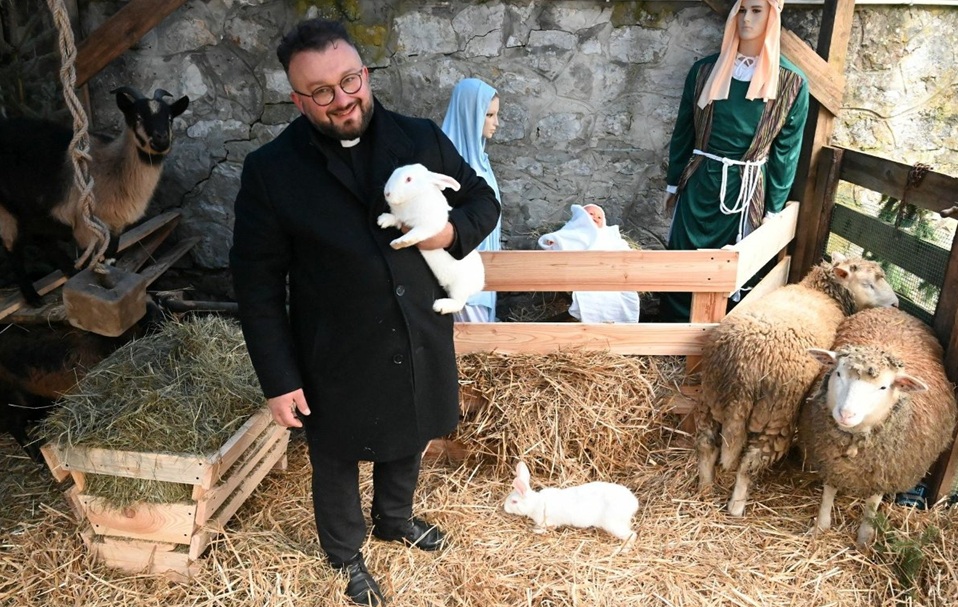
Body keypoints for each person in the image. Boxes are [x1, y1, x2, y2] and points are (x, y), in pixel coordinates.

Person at [229, 19, 499, 607]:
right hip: (334, 345)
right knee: (336, 453)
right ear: (299, 100)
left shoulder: (419, 138)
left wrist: (450, 234)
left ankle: (395, 519)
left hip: (418, 326)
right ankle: (345, 553)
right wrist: (278, 379)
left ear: (365, 74)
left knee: (411, 428)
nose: (342, 98)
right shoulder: (272, 170)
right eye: (321, 91)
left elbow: (483, 199)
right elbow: (257, 285)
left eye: (349, 80)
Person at [660, 0, 809, 321]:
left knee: (732, 271)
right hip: (699, 183)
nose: (746, 18)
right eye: (741, 10)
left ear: (772, 16)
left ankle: (720, 336)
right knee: (683, 261)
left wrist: (773, 209)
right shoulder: (704, 72)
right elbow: (683, 132)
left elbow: (786, 152)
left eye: (756, 10)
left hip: (746, 193)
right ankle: (670, 331)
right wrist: (673, 183)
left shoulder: (791, 83)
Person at [441, 78, 501, 322]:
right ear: (470, 114)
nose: (496, 123)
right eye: (489, 115)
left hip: (485, 276)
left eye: (496, 114)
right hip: (463, 278)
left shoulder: (481, 161)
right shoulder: (449, 166)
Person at [537, 204, 640, 323]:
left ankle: (618, 322)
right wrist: (552, 242)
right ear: (581, 217)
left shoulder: (608, 235)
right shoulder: (573, 231)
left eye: (599, 217)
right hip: (582, 271)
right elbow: (558, 239)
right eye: (591, 214)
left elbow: (621, 248)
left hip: (607, 271)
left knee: (623, 295)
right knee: (596, 292)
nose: (595, 217)